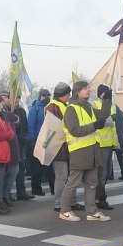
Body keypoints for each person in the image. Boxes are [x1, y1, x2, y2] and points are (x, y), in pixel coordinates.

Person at [58, 81, 111, 222]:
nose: (88, 90)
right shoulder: (71, 109)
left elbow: (103, 116)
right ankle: (64, 210)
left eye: (88, 88)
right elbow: (75, 130)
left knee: (92, 182)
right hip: (79, 151)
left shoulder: (88, 106)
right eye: (85, 88)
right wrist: (94, 126)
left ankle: (91, 211)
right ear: (77, 92)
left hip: (92, 150)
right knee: (73, 182)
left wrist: (107, 101)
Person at [45, 82, 84, 212]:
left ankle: (70, 201)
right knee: (62, 176)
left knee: (69, 177)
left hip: (67, 146)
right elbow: (56, 128)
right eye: (68, 94)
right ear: (63, 95)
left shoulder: (62, 105)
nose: (69, 96)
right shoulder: (53, 107)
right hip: (59, 147)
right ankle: (59, 203)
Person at [0, 91, 34, 201]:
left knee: (21, 167)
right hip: (11, 142)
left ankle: (21, 191)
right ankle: (7, 193)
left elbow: (25, 126)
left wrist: (27, 137)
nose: (17, 100)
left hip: (22, 143)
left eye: (19, 98)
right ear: (8, 99)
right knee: (9, 169)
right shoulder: (5, 111)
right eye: (15, 98)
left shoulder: (21, 111)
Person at [91, 84, 118, 210]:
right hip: (100, 143)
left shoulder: (111, 104)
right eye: (106, 93)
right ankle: (99, 198)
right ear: (101, 93)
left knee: (106, 173)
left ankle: (99, 196)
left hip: (109, 143)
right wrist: (111, 119)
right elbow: (101, 121)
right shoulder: (95, 104)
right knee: (101, 173)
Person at [27, 89, 55, 196]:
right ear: (40, 97)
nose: (46, 98)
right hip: (39, 142)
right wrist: (32, 141)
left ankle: (54, 189)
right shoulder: (35, 109)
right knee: (38, 168)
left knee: (51, 168)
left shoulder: (51, 108)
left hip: (50, 141)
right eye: (44, 96)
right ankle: (36, 189)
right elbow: (31, 125)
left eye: (48, 95)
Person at [114, 105, 123, 180]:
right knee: (121, 157)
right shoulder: (122, 113)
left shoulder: (111, 113)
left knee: (108, 158)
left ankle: (110, 175)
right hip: (120, 138)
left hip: (112, 138)